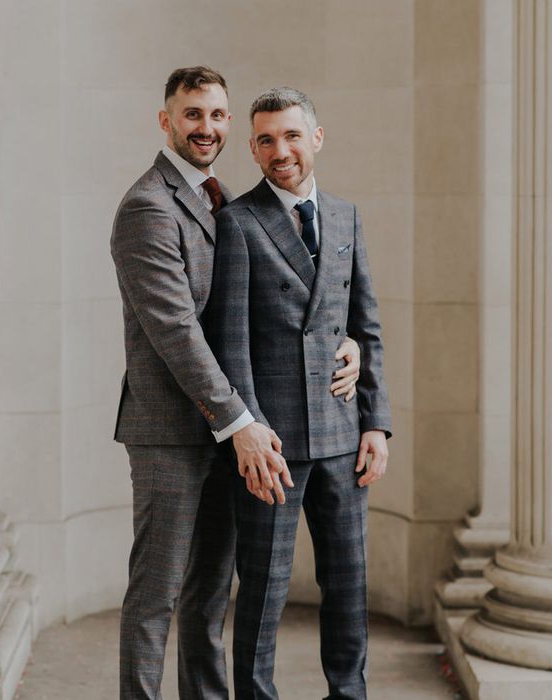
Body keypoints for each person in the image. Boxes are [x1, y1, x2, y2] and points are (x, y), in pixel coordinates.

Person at [110, 67, 360, 700]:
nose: (206, 127)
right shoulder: (148, 204)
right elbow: (177, 332)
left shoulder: (215, 199)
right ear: (165, 121)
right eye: (193, 115)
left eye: (217, 115)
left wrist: (345, 341)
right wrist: (241, 420)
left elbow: (258, 315)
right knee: (157, 594)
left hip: (227, 432)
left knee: (209, 595)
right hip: (172, 428)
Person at [205, 86, 392, 700]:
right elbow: (231, 344)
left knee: (347, 582)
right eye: (264, 139)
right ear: (254, 150)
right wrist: (250, 439)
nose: (278, 149)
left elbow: (365, 326)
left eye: (290, 135)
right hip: (274, 445)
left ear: (315, 137)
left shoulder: (345, 216)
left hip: (343, 436)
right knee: (262, 587)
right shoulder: (237, 222)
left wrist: (375, 424)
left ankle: (348, 692)